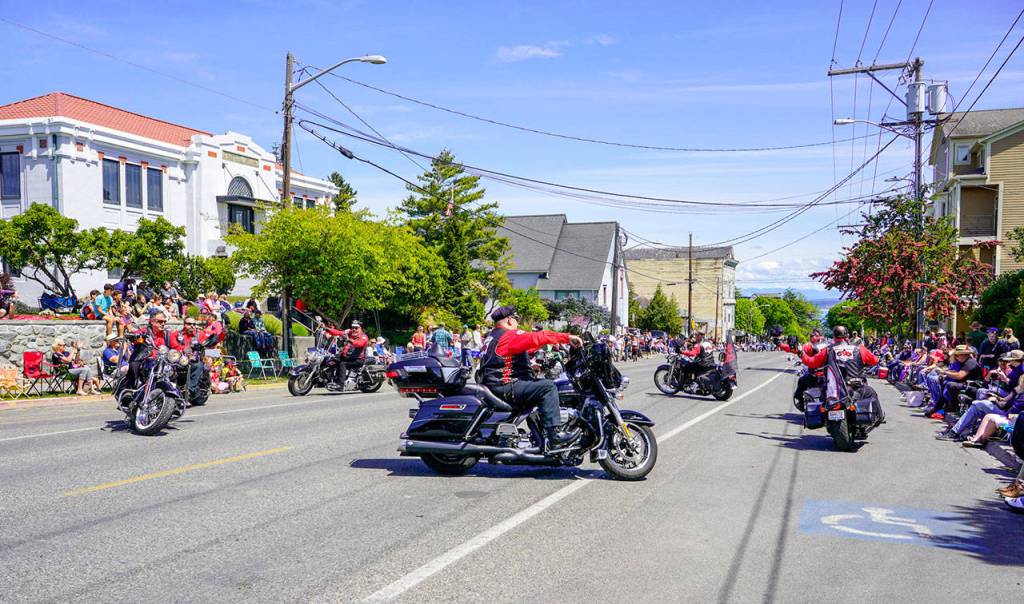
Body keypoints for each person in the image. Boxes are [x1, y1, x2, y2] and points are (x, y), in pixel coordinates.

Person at [478, 305, 584, 449]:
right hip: (506, 384)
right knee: (548, 387)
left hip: (496, 383)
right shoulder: (508, 335)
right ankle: (555, 435)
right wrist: (566, 338)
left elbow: (518, 350)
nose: (517, 323)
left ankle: (540, 429)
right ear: (510, 320)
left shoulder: (493, 335)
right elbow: (537, 337)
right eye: (516, 319)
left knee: (540, 385)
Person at [798, 325, 884, 423]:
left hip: (833, 389)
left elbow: (811, 362)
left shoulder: (827, 350)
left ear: (834, 336)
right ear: (847, 335)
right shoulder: (859, 349)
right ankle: (879, 418)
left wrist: (801, 354)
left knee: (820, 397)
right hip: (856, 387)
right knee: (872, 393)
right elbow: (874, 361)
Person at [938, 350, 1024, 442]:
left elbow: (1013, 405)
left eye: (1010, 360)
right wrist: (998, 399)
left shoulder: (1020, 373)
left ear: (1017, 360)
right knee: (979, 399)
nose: (1008, 362)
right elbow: (1011, 393)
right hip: (1007, 408)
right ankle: (960, 431)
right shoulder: (1016, 372)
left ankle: (956, 432)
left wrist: (998, 401)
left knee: (977, 404)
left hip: (1009, 414)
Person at [923, 345, 983, 419]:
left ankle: (953, 406)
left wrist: (944, 372)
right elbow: (955, 371)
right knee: (945, 382)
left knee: (950, 385)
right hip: (964, 383)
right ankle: (939, 406)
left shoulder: (970, 362)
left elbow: (960, 375)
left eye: (957, 355)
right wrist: (944, 373)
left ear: (964, 355)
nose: (956, 357)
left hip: (972, 385)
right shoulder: (963, 362)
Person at [325, 320, 369, 387]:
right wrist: (326, 328)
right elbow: (339, 332)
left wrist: (352, 341)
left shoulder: (363, 336)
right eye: (353, 327)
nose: (354, 329)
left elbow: (359, 344)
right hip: (347, 356)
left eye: (356, 328)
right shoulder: (349, 332)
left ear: (360, 328)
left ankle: (340, 384)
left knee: (343, 364)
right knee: (330, 359)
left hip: (358, 359)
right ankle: (330, 379)